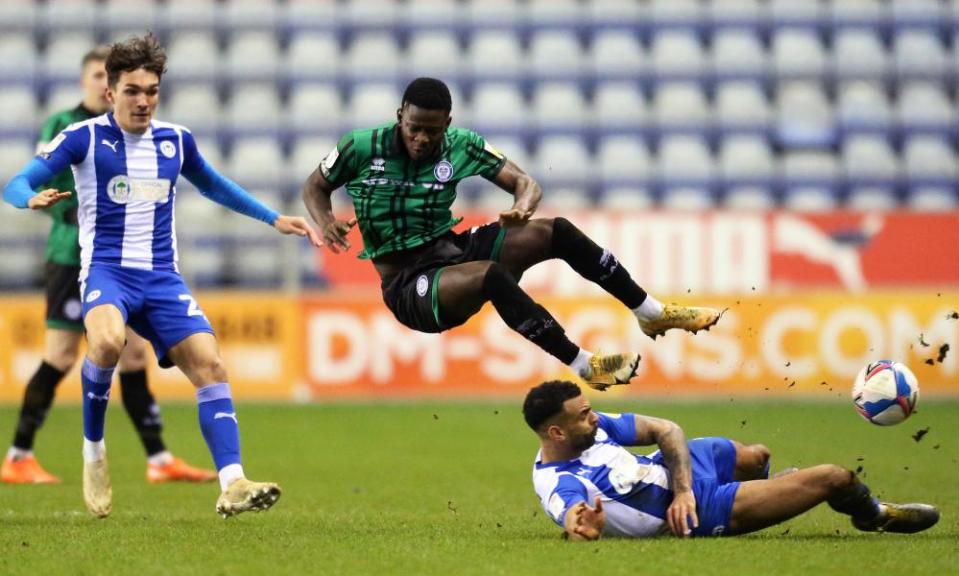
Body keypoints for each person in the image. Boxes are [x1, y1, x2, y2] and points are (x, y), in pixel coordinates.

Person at [3, 34, 320, 518]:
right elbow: (16, 181)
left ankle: (232, 482)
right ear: (110, 93)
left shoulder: (176, 139)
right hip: (107, 272)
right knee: (106, 343)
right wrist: (30, 197)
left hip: (161, 279)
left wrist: (272, 218)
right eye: (133, 90)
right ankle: (93, 450)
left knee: (211, 365)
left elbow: (214, 184)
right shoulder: (82, 137)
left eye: (151, 90)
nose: (144, 100)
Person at [302, 77, 721, 391]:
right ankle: (583, 365)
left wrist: (523, 205)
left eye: (433, 130)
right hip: (410, 285)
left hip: (452, 250)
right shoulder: (361, 147)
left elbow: (526, 182)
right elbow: (314, 186)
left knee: (555, 231)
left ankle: (650, 312)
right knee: (489, 275)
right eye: (414, 127)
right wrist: (325, 220)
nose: (422, 138)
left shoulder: (461, 145)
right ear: (400, 117)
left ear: (448, 123)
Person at [1, 46, 215, 486]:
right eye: (102, 77)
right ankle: (19, 453)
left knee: (134, 355)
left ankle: (158, 457)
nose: (130, 94)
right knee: (60, 355)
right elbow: (34, 181)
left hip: (131, 267)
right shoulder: (69, 128)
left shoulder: (146, 136)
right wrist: (46, 203)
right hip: (71, 256)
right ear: (96, 84)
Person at [523, 380, 940, 540]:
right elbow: (572, 513)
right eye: (584, 415)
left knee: (756, 455)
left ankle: (766, 485)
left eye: (590, 409)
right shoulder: (558, 481)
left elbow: (666, 430)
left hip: (680, 477)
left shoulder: (593, 427)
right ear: (556, 433)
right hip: (695, 512)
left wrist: (683, 487)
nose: (594, 417)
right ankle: (875, 514)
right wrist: (581, 526)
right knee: (834, 478)